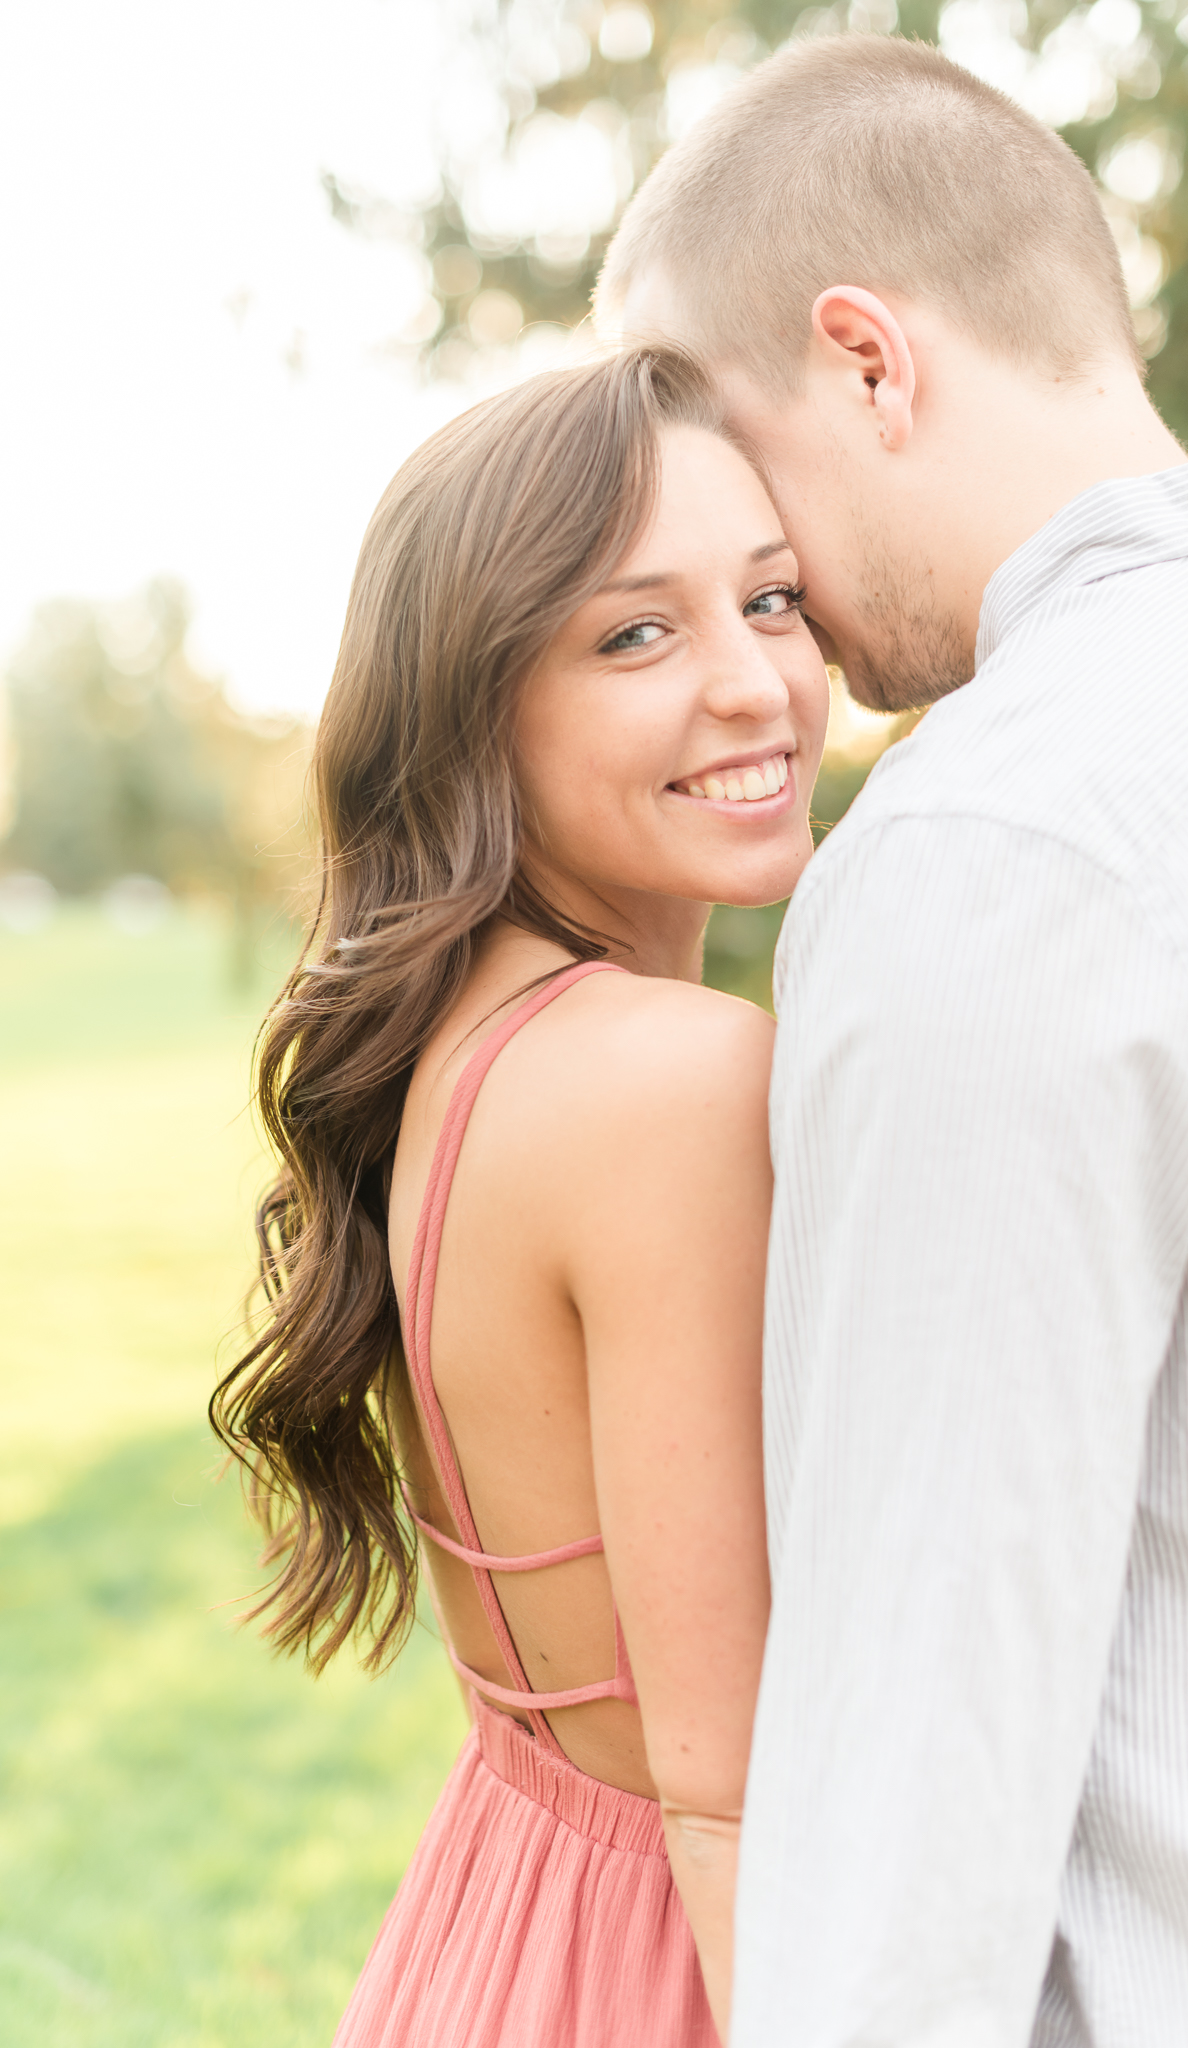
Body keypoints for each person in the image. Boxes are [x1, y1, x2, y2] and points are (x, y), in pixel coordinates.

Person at [600, 33, 1188, 2048]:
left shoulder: (986, 843)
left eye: (746, 482)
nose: (780, 627)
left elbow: (915, 1762)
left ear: (868, 361)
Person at [210, 347, 830, 2046]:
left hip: (509, 1925)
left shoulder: (472, 1047)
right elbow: (725, 1783)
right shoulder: (677, 1080)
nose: (753, 684)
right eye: (637, 633)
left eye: (773, 600)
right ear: (478, 704)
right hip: (689, 1960)